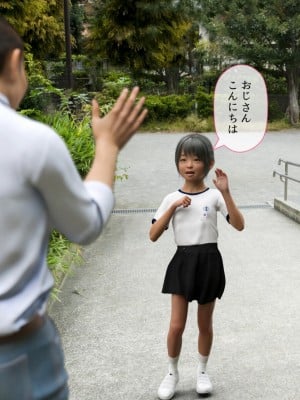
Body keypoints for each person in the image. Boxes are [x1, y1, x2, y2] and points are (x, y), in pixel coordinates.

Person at [0, 17, 147, 400]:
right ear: (15, 63)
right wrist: (108, 147)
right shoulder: (30, 141)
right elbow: (84, 225)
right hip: (17, 358)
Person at [149, 134, 244, 399]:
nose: (189, 164)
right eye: (183, 159)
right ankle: (172, 372)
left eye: (196, 159)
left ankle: (202, 371)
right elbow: (153, 234)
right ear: (177, 163)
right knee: (177, 325)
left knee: (205, 324)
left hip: (209, 261)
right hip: (182, 262)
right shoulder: (171, 197)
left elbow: (238, 224)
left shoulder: (214, 196)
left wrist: (226, 192)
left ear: (209, 163)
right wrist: (174, 208)